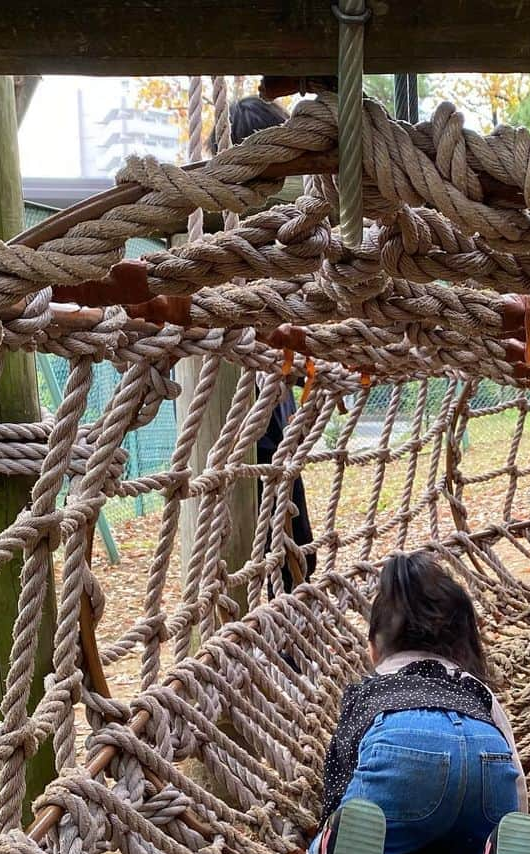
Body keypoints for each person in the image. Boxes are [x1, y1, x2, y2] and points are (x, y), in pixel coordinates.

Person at [308, 552, 530, 854]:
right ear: (460, 644)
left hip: (403, 752)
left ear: (374, 647)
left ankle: (339, 845)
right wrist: (514, 816)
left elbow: (344, 761)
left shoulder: (372, 687)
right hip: (485, 760)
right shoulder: (475, 688)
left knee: (360, 836)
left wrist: (333, 815)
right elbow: (513, 764)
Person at [227, 96, 316, 595]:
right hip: (252, 403)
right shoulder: (257, 218)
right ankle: (282, 646)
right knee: (279, 546)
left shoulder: (282, 226)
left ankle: (288, 637)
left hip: (268, 390)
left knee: (290, 541)